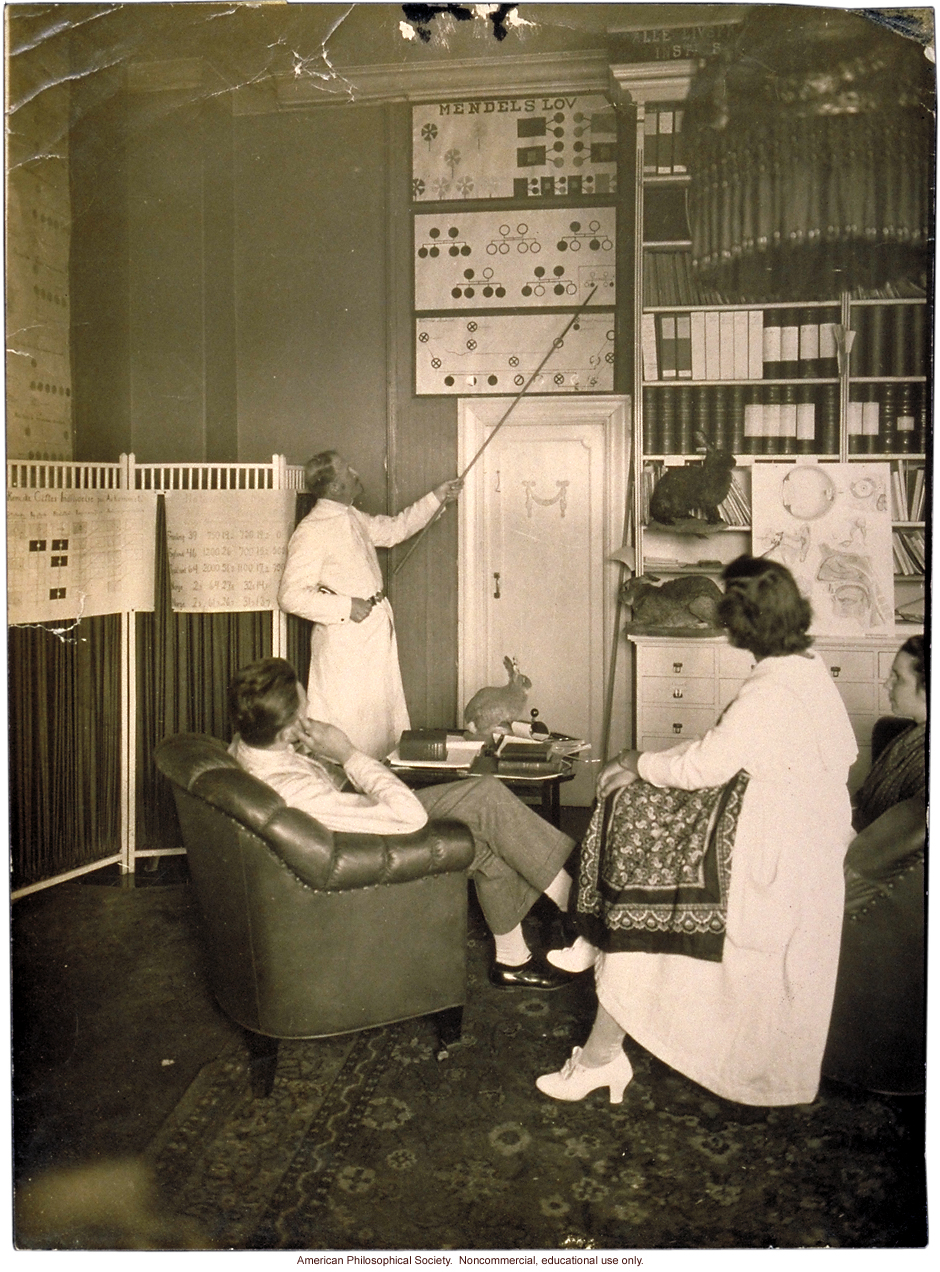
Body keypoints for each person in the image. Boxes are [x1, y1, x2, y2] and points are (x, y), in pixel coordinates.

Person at [537, 554, 858, 1107]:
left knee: (642, 842)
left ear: (741, 624)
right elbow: (726, 753)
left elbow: (703, 767)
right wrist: (646, 767)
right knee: (639, 809)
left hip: (777, 858)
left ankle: (599, 1035)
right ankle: (593, 934)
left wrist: (637, 760)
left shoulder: (771, 691)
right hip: (796, 831)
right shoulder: (804, 668)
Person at [227, 657, 578, 991]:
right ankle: (575, 902)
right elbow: (410, 817)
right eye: (304, 707)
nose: (310, 712)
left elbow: (312, 782)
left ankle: (512, 961)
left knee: (483, 840)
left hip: (349, 816)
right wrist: (347, 753)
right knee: (485, 795)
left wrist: (313, 757)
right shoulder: (296, 791)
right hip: (363, 843)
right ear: (287, 729)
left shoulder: (249, 745)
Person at [278, 451, 463, 759]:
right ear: (335, 487)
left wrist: (437, 497)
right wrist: (345, 607)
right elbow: (289, 595)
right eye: (347, 471)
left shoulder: (350, 515)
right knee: (349, 727)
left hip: (372, 635)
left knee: (380, 727)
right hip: (346, 643)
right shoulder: (312, 530)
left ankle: (378, 793)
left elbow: (394, 529)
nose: (355, 473)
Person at [822, 634, 927, 1094]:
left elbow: (883, 836)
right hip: (855, 834)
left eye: (898, 677)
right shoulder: (913, 735)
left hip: (859, 853)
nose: (888, 685)